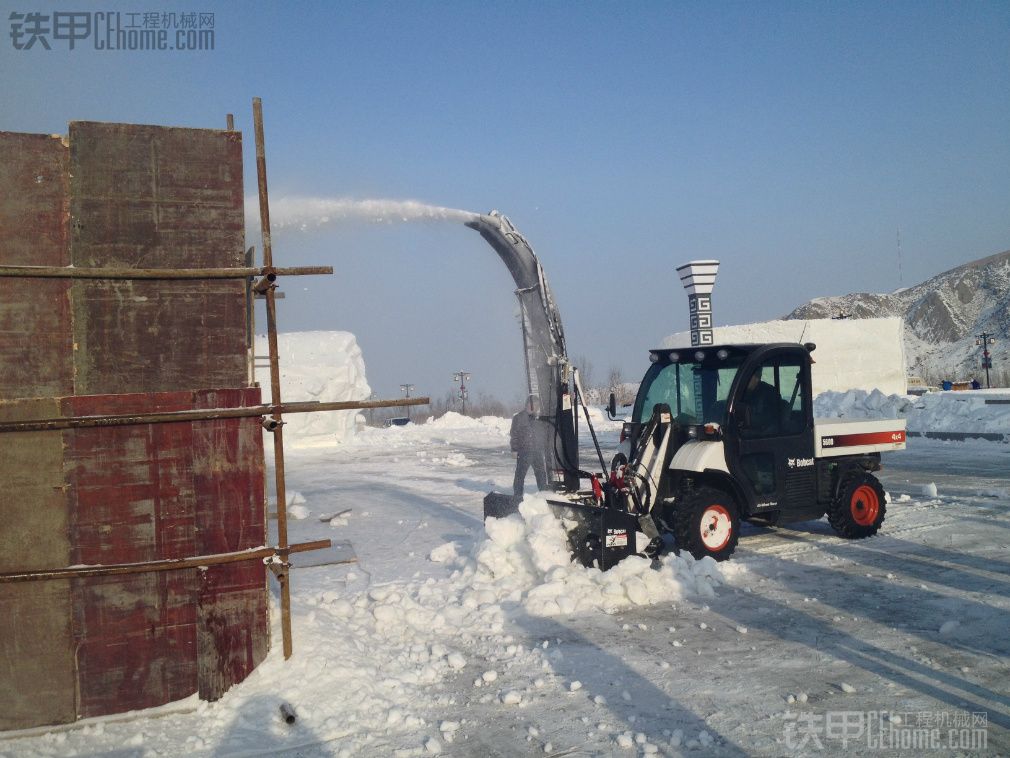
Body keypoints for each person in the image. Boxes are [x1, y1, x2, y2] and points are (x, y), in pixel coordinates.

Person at [510, 396, 547, 499]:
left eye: (537, 405)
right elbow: (514, 434)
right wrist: (514, 449)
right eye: (534, 404)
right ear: (528, 405)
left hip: (537, 452)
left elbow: (543, 434)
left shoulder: (538, 418)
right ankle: (517, 496)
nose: (536, 407)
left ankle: (544, 495)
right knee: (520, 476)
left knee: (541, 475)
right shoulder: (519, 417)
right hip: (524, 452)